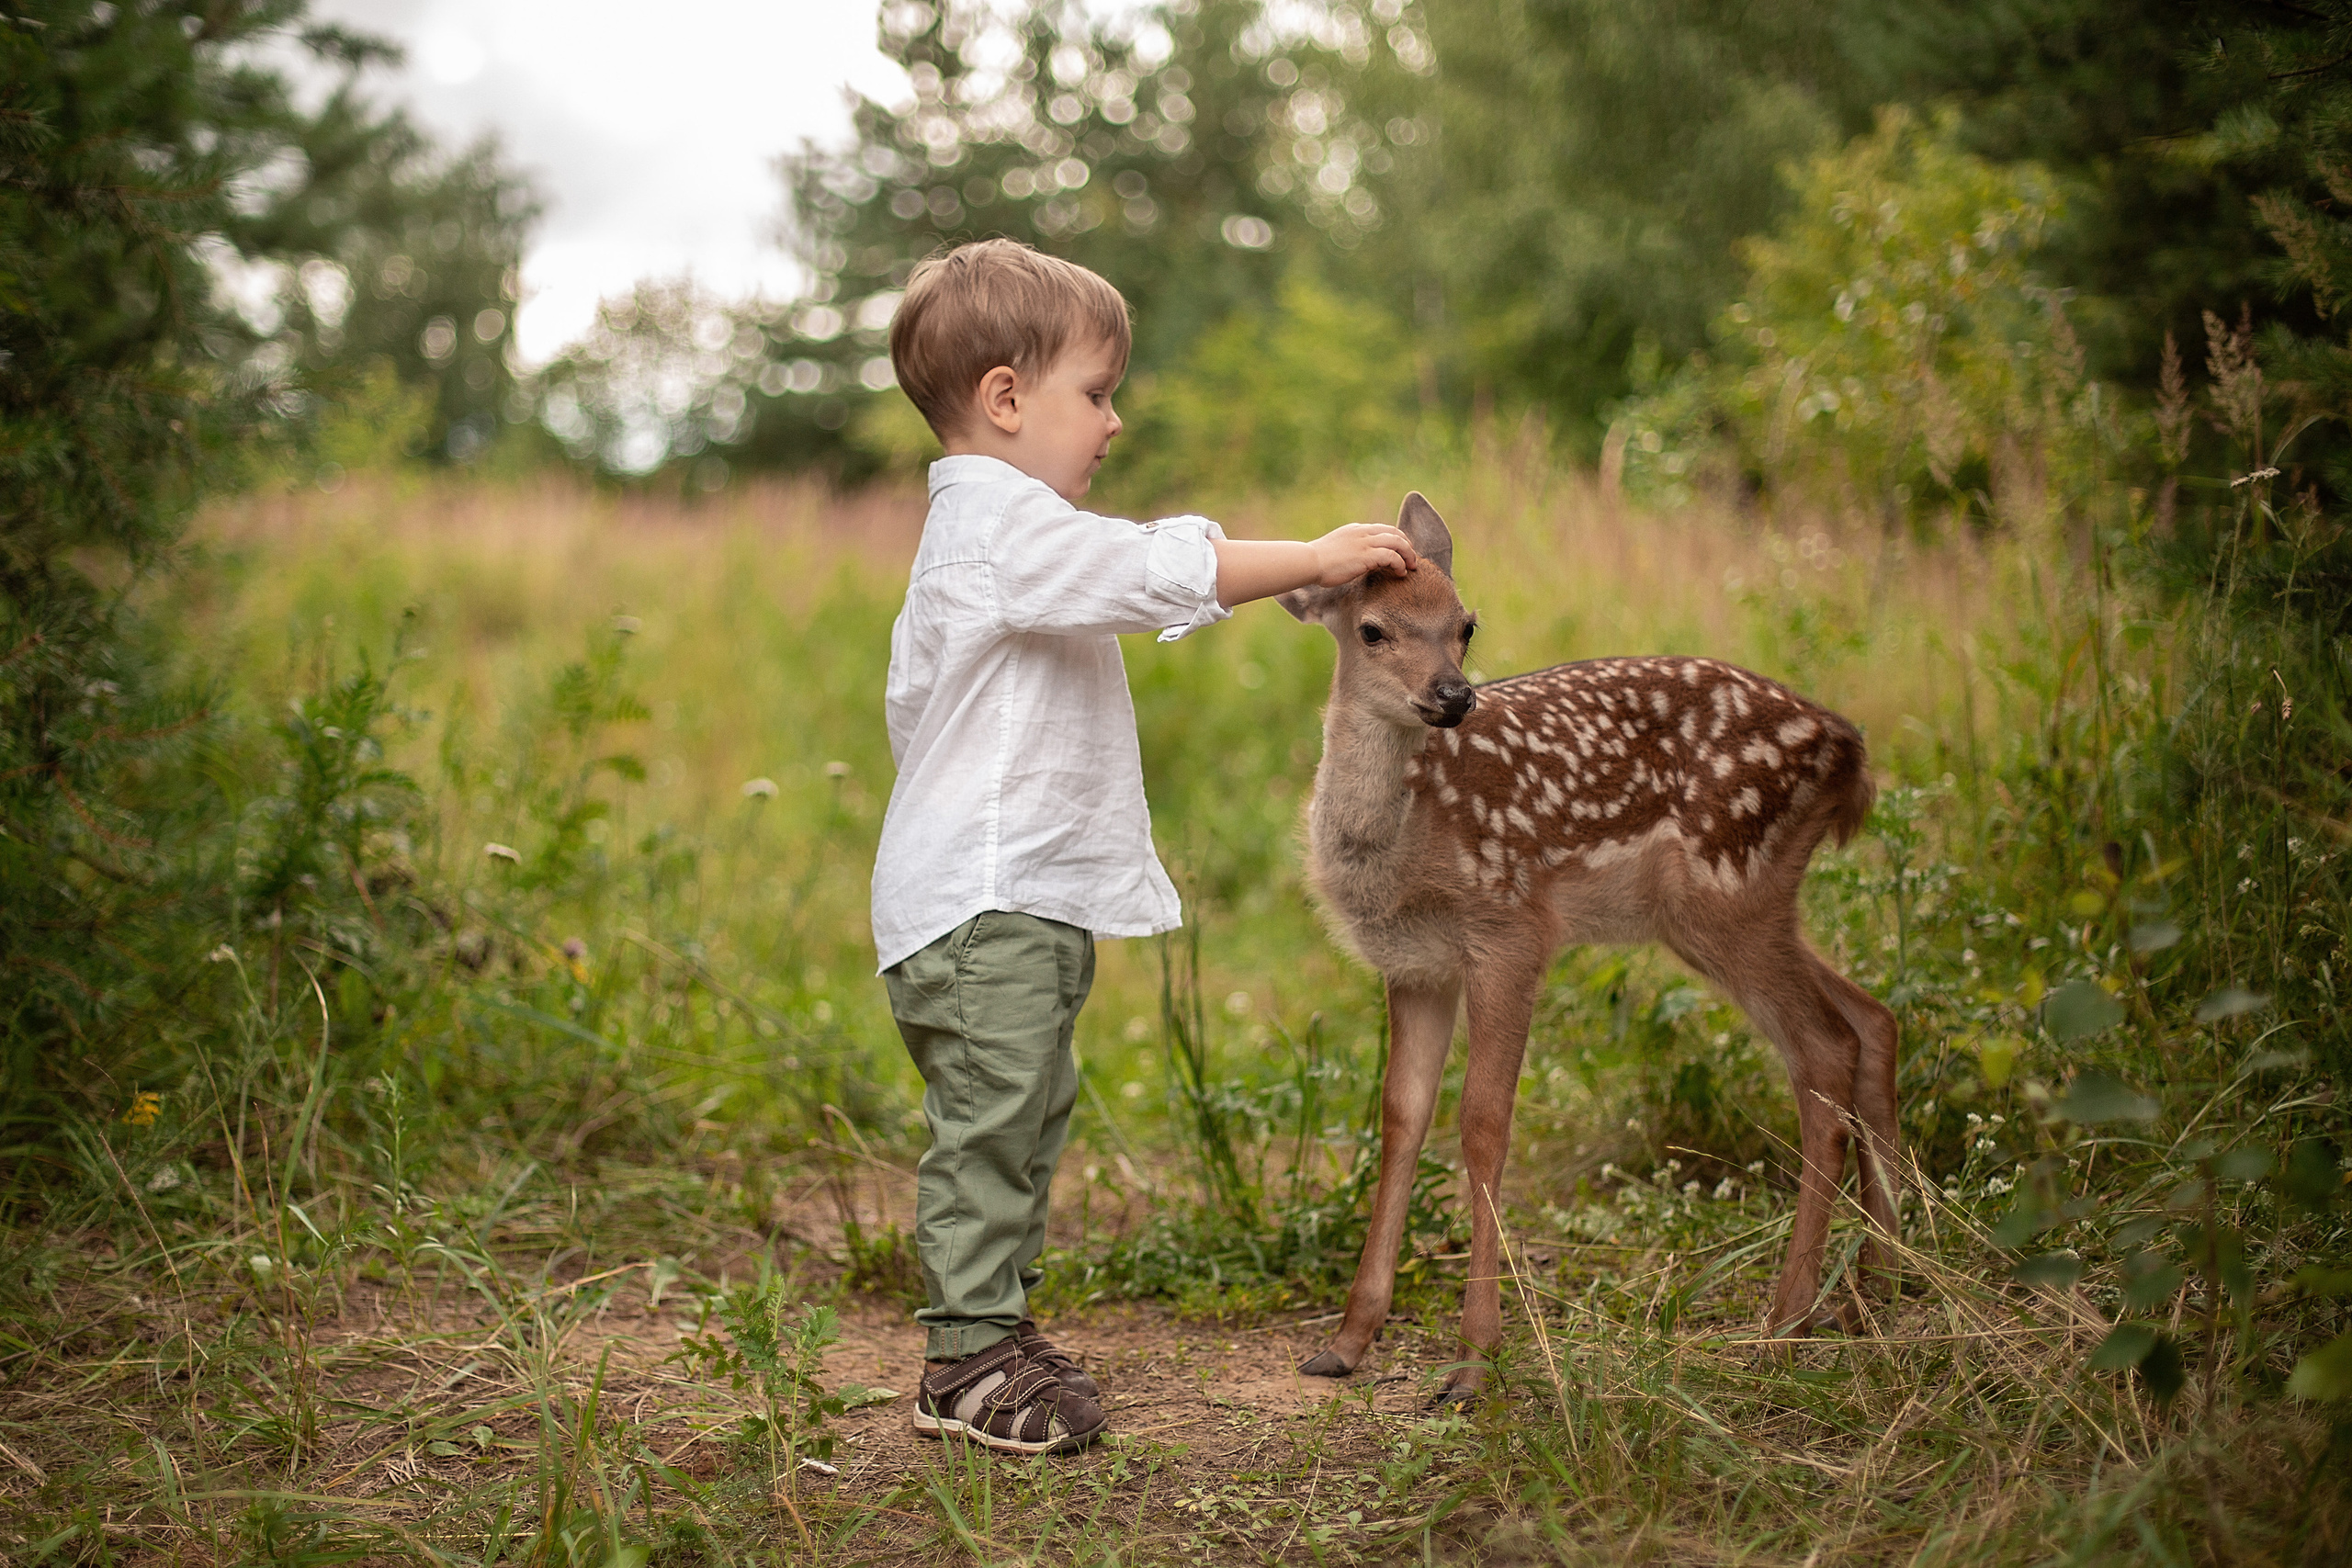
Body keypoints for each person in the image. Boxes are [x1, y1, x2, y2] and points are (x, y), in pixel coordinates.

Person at [875, 238, 1419, 1455]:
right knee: (995, 1117)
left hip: (1011, 901)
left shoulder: (998, 539)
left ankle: (995, 1329)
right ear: (1007, 399)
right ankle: (963, 1359)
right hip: (982, 906)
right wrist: (1318, 559)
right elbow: (1144, 567)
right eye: (1098, 392)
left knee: (1023, 1110)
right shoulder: (1000, 527)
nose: (1114, 424)